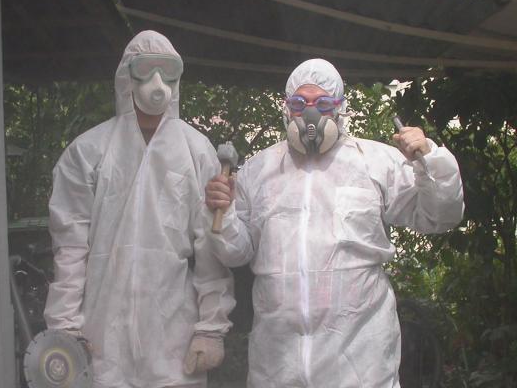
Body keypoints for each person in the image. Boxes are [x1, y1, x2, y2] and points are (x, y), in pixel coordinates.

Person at [204, 58, 464, 387]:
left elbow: (440, 216)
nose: (310, 114)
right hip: (278, 366)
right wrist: (224, 212)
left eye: (323, 104)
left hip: (360, 368)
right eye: (300, 103)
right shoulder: (258, 171)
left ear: (340, 108)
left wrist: (430, 159)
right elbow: (236, 252)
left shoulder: (374, 162)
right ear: (286, 108)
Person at [44, 30, 235, 388]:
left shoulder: (197, 151)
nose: (157, 82)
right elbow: (69, 249)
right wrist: (66, 328)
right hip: (101, 343)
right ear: (126, 76)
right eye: (146, 69)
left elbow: (210, 252)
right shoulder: (88, 152)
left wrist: (210, 328)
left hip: (174, 344)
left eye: (168, 71)